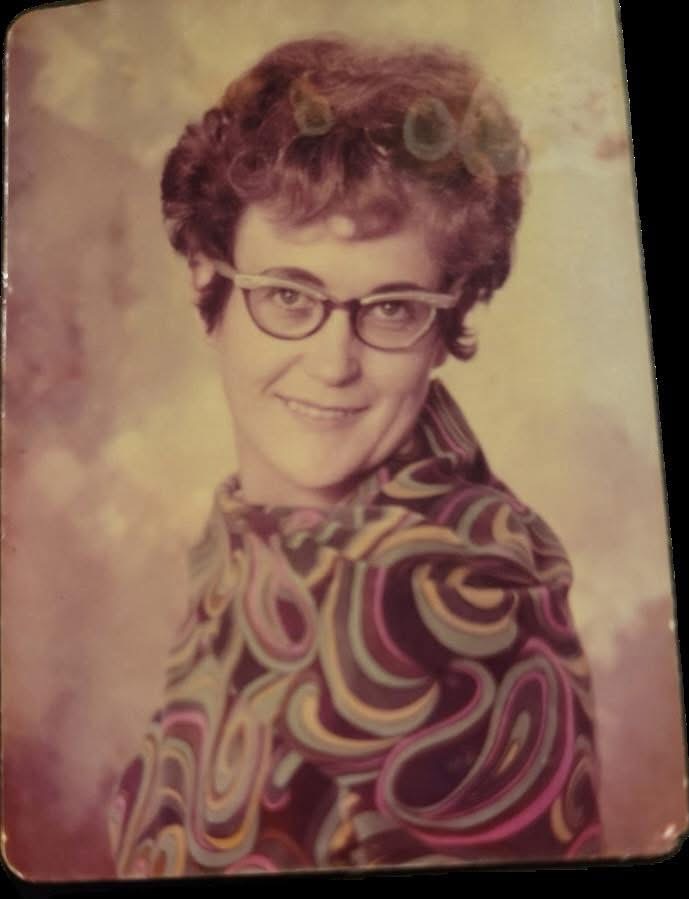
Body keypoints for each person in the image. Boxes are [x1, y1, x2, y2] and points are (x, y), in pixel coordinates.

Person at [108, 36, 601, 876]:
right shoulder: (248, 548)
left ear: (443, 325)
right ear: (205, 282)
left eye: (392, 307)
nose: (334, 361)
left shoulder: (454, 606)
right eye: (288, 295)